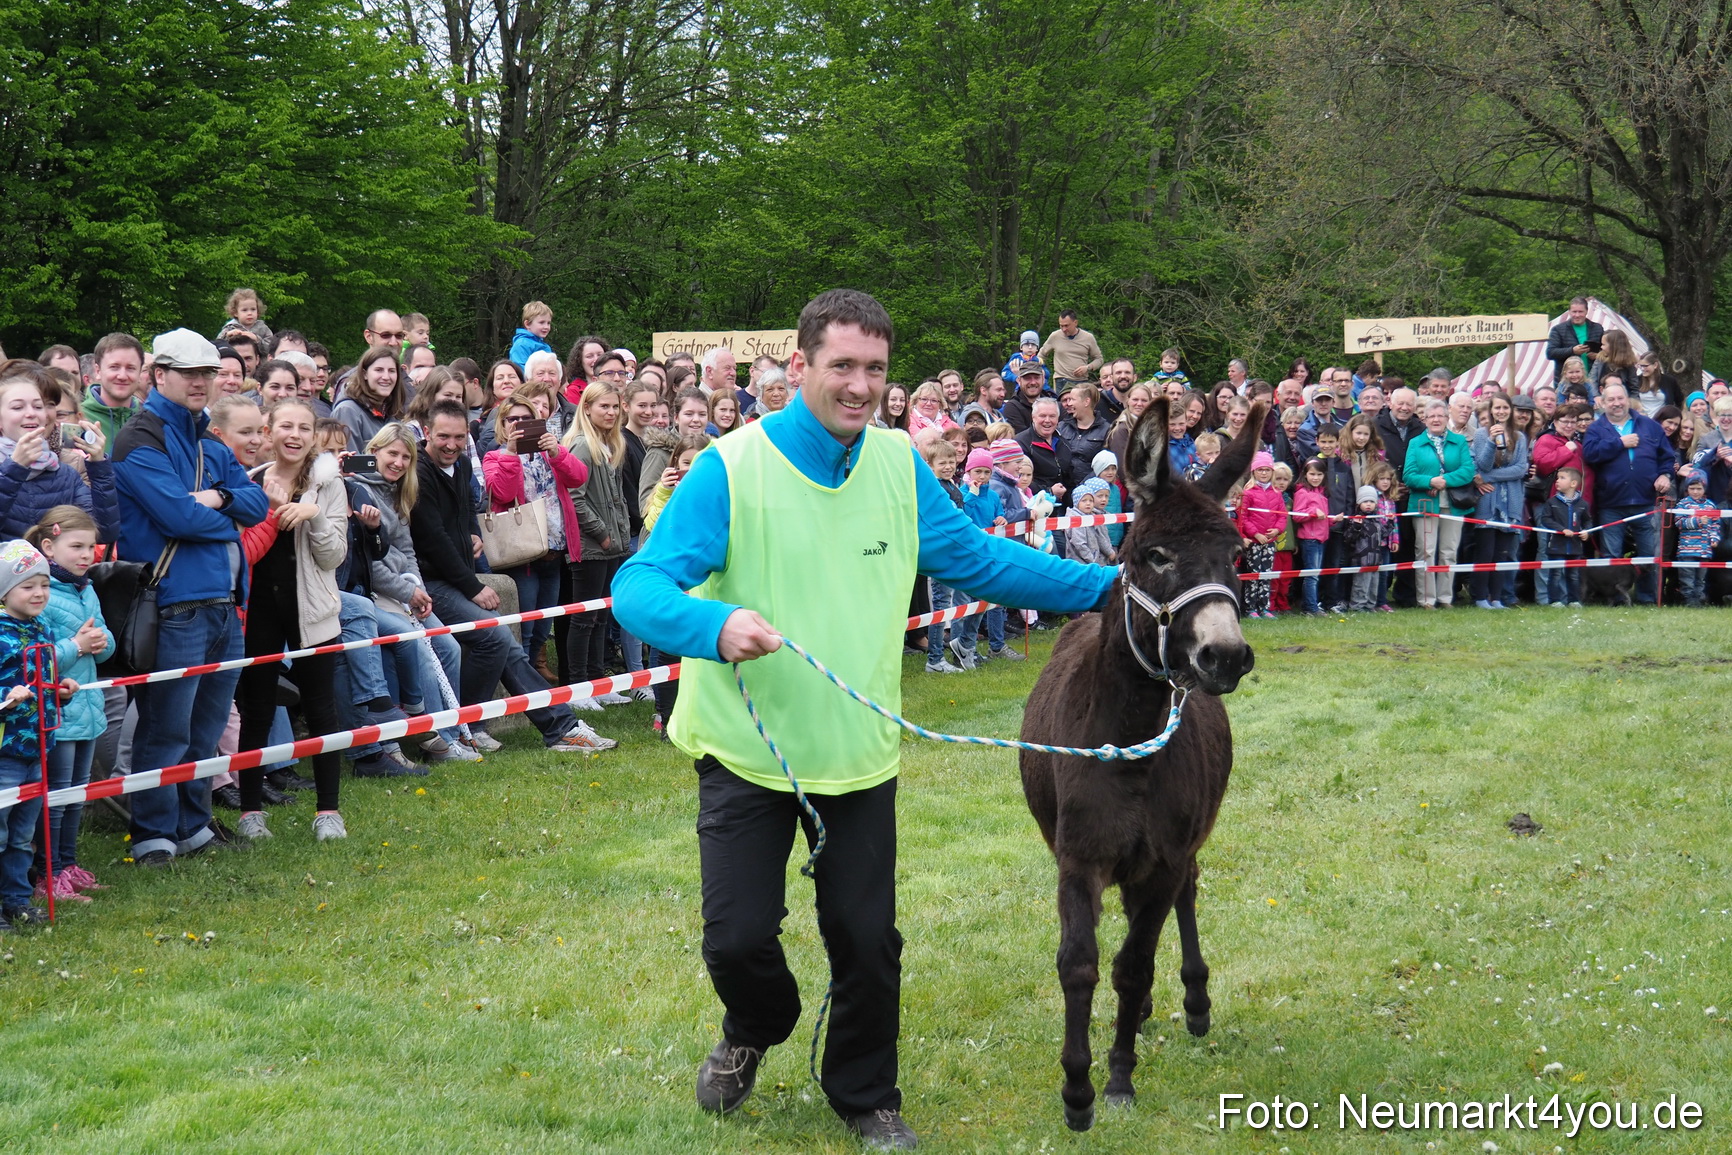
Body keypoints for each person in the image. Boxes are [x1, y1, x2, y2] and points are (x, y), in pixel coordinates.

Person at [611, 289, 1117, 1149]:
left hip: (857, 753)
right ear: (800, 365)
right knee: (737, 941)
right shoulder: (731, 468)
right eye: (841, 365)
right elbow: (637, 587)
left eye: (875, 370)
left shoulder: (896, 462)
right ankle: (755, 1026)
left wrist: (1112, 587)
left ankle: (866, 1094)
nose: (859, 385)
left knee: (865, 938)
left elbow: (975, 557)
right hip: (747, 750)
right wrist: (714, 625)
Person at [112, 329, 269, 866]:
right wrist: (228, 513)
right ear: (161, 376)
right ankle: (154, 833)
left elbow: (258, 503)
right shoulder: (138, 439)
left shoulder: (209, 439)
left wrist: (220, 497)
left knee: (204, 731)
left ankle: (192, 823)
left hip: (225, 603)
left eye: (207, 373)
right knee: (165, 728)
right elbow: (178, 516)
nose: (201, 382)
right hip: (172, 603)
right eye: (189, 373)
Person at [234, 399, 351, 842]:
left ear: (314, 437)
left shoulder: (329, 486)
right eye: (286, 425)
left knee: (323, 710)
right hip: (260, 610)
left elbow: (333, 556)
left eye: (304, 427)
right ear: (269, 430)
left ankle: (328, 812)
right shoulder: (249, 482)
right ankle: (250, 812)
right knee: (257, 710)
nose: (295, 435)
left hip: (314, 612)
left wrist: (313, 515)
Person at [27, 509, 112, 903]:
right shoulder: (39, 595)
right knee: (57, 798)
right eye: (75, 546)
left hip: (88, 705)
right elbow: (35, 660)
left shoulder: (86, 588)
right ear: (48, 546)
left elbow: (106, 642)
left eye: (90, 547)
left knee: (78, 793)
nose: (86, 555)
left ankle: (70, 863)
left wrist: (99, 642)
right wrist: (78, 645)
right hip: (57, 713)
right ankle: (48, 873)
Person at [482, 397, 588, 678]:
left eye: (526, 420)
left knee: (543, 627)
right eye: (512, 420)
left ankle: (533, 683)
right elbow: (502, 493)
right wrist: (511, 453)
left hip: (553, 551)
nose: (519, 425)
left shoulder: (549, 452)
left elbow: (579, 476)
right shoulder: (495, 456)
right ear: (502, 425)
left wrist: (558, 453)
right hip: (522, 555)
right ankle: (527, 688)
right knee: (526, 628)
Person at [0, 540, 70, 927]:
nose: (39, 592)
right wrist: (6, 698)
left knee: (23, 836)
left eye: (43, 584)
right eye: (28, 586)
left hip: (39, 745)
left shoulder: (43, 628)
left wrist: (61, 691)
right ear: (5, 591)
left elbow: (46, 683)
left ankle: (17, 900)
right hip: (5, 751)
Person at [0, 361, 119, 541]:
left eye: (41, 405)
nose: (33, 413)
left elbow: (103, 532)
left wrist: (98, 464)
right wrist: (14, 469)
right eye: (18, 406)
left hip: (55, 570)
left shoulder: (65, 474)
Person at [1582, 382, 1674, 605]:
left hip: (1645, 502)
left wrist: (1665, 475)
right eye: (1611, 400)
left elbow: (1667, 457)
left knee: (1648, 557)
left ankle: (1647, 599)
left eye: (1620, 398)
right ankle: (1613, 600)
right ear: (1603, 403)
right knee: (1611, 557)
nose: (1616, 403)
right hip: (1611, 502)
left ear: (1627, 399)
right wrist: (1618, 443)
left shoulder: (1649, 426)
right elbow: (1590, 454)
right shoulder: (1596, 428)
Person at [1402, 398, 1476, 610]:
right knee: (1426, 551)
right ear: (1424, 419)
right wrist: (1429, 481)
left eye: (1440, 416)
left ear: (1447, 417)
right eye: (1431, 416)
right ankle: (1426, 599)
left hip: (1454, 504)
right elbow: (1408, 475)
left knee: (1449, 551)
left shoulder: (1459, 441)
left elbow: (1468, 471)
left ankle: (1445, 597)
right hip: (1425, 504)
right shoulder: (1415, 443)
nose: (1436, 419)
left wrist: (1444, 481)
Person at [1469, 393, 1528, 609]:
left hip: (1510, 500)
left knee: (1502, 553)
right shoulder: (1480, 435)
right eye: (1497, 408)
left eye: (1505, 408)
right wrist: (1492, 442)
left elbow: (1520, 469)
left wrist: (1490, 477)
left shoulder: (1520, 437)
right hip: (1487, 501)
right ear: (1491, 411)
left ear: (1510, 410)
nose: (1501, 412)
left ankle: (1497, 597)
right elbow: (1482, 465)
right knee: (1485, 551)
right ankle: (1480, 596)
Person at [914, 438, 966, 674]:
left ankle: (961, 648)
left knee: (955, 605)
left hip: (955, 551)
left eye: (952, 461)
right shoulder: (935, 489)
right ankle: (935, 658)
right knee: (941, 608)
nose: (948, 466)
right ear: (930, 465)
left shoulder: (953, 485)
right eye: (942, 462)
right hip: (941, 554)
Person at [1236, 451, 1283, 618]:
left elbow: (1282, 515)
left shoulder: (1277, 493)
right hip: (1255, 542)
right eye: (1260, 469)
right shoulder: (1248, 492)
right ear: (1254, 471)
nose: (1264, 473)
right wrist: (1256, 534)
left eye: (1267, 470)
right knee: (1253, 575)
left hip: (1270, 542)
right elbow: (1244, 516)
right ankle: (1250, 608)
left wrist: (1277, 530)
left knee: (1266, 574)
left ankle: (1264, 607)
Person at [333, 345, 407, 451]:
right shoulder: (347, 411)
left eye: (391, 371)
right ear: (364, 374)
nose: (386, 377)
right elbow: (351, 463)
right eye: (379, 370)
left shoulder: (393, 414)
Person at [80, 333, 146, 447]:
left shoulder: (150, 420)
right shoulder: (79, 418)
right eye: (114, 367)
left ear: (140, 373)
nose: (122, 376)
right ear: (98, 371)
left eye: (131, 368)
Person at [1539, 467, 1589, 607]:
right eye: (1557, 478)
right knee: (1555, 574)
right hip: (1556, 546)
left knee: (1573, 575)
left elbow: (1588, 520)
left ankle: (1574, 600)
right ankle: (1554, 601)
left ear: (1573, 483)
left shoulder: (1582, 504)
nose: (1557, 481)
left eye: (1562, 478)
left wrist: (1586, 531)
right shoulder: (1551, 502)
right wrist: (1562, 530)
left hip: (1575, 547)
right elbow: (1546, 519)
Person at [1670, 471, 1720, 606]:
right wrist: (1697, 521)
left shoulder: (1710, 505)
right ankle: (1688, 599)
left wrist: (1714, 538)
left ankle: (1699, 599)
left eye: (1699, 488)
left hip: (1704, 550)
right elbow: (1679, 523)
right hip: (1686, 549)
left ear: (1704, 489)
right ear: (1687, 489)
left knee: (1701, 578)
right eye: (1692, 488)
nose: (1695, 492)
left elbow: (1715, 524)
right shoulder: (1682, 504)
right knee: (1687, 578)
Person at [1290, 458, 1333, 615]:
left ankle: (1312, 604)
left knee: (1316, 573)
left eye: (1319, 474)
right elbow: (1297, 515)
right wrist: (1313, 513)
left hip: (1322, 538)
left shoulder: (1322, 493)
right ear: (1305, 475)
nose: (1316, 478)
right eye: (1312, 474)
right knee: (1311, 574)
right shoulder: (1302, 492)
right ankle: (1310, 607)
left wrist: (1333, 520)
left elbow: (1323, 518)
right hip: (1310, 539)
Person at [1339, 486, 1386, 612]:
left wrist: (1390, 523)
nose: (1369, 505)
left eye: (1371, 502)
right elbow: (1348, 538)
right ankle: (1357, 606)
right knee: (1361, 585)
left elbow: (1384, 534)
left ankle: (1370, 606)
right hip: (1361, 559)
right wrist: (1356, 527)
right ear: (1359, 503)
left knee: (1373, 585)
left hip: (1376, 559)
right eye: (1365, 502)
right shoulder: (1355, 520)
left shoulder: (1377, 520)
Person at [1545, 298, 1604, 382]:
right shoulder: (1558, 330)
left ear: (1586, 311)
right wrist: (1572, 351)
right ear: (1569, 312)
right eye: (1574, 312)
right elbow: (1550, 353)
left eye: (1580, 312)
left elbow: (1606, 351)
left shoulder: (1597, 328)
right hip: (1567, 382)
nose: (1577, 315)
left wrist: (1597, 355)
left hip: (1594, 379)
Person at [510, 301, 556, 370]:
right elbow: (519, 368)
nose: (546, 327)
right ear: (527, 324)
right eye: (541, 322)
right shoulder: (521, 344)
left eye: (548, 323)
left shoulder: (545, 346)